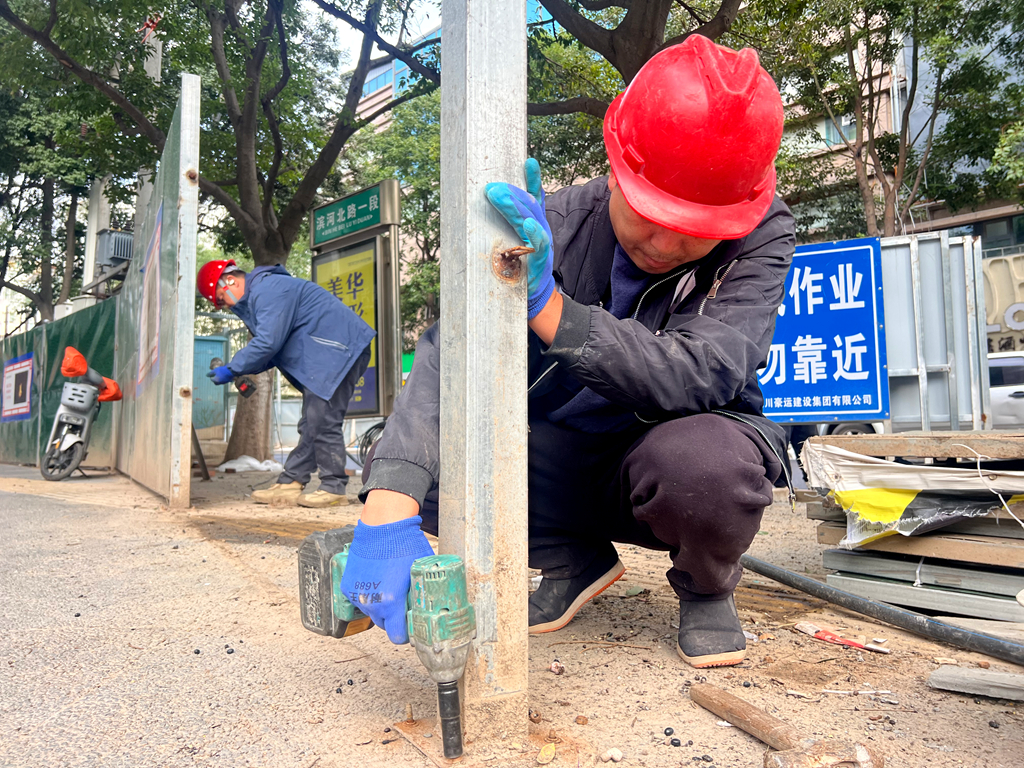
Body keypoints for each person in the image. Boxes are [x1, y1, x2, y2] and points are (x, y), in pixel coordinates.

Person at [340, 35, 795, 668]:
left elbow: (706, 369)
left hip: (672, 458)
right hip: (565, 454)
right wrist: (389, 501)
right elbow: (453, 347)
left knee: (708, 468)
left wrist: (552, 311)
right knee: (422, 460)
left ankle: (706, 587)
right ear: (616, 169)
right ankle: (571, 558)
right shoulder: (551, 223)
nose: (665, 244)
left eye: (694, 230)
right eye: (648, 213)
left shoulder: (761, 237)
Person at [197, 260, 375, 508]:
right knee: (312, 421)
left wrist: (233, 368)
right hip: (328, 354)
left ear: (230, 281)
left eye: (220, 299)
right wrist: (235, 368)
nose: (225, 306)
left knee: (322, 420)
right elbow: (270, 352)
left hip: (338, 351)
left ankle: (333, 487)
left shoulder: (268, 289)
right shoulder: (260, 297)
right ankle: (291, 481)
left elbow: (268, 343)